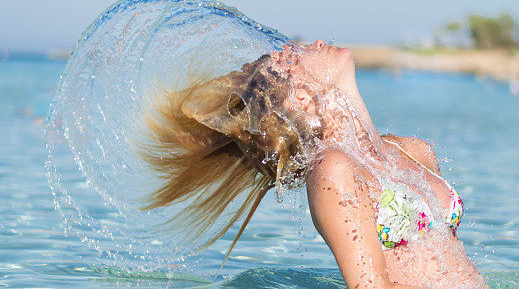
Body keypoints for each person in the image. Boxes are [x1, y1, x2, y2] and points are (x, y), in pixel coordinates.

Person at [141, 39, 486, 288]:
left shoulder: (413, 150)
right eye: (298, 55)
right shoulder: (333, 169)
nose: (317, 43)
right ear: (299, 98)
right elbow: (369, 286)